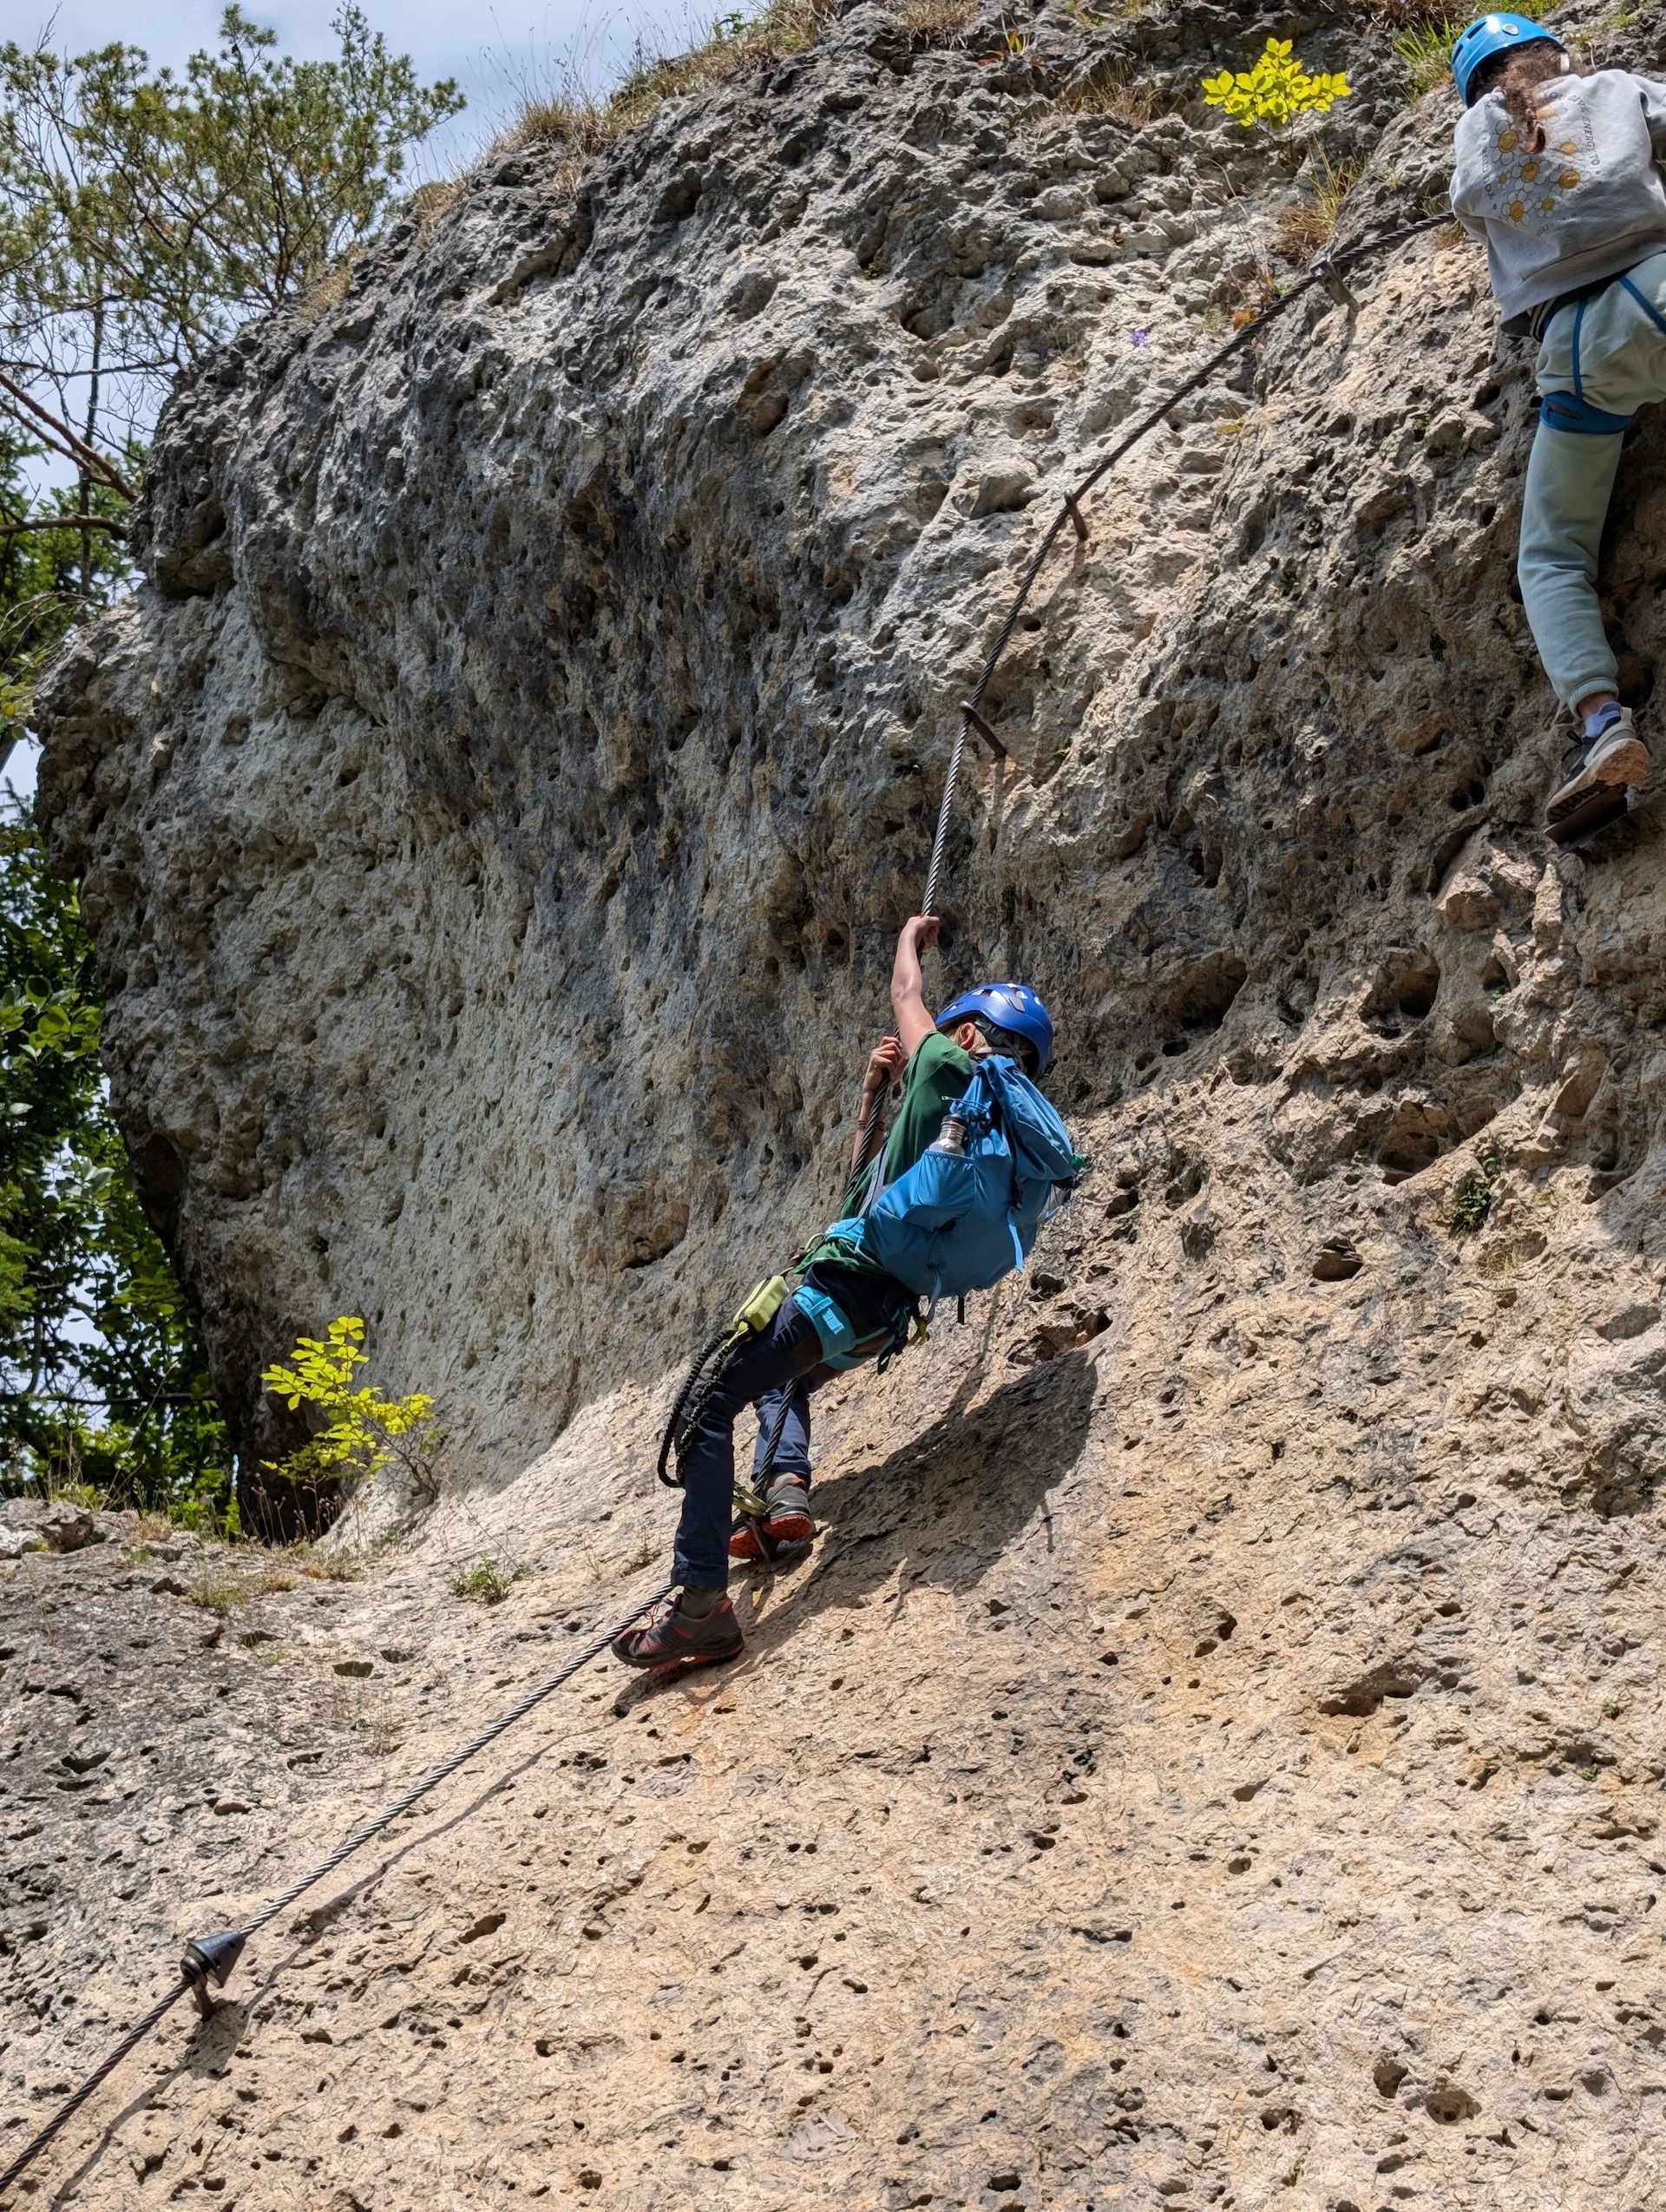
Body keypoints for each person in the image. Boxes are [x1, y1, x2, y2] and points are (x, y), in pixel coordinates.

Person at [612, 915, 1056, 1670]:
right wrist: (869, 1101)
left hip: (841, 1293)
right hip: (881, 1317)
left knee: (712, 1398)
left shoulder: (950, 1061)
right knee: (783, 1382)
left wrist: (909, 941)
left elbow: (904, 991)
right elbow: (864, 1196)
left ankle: (700, 1608)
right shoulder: (973, 1130)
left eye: (952, 1028)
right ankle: (781, 1495)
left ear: (974, 1034)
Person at [1449, 14, 1666, 840]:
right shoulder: (1613, 88)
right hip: (1661, 273)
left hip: (1580, 349)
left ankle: (1604, 723)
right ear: (1557, 56)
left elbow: (1478, 208)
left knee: (1552, 553)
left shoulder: (1477, 135)